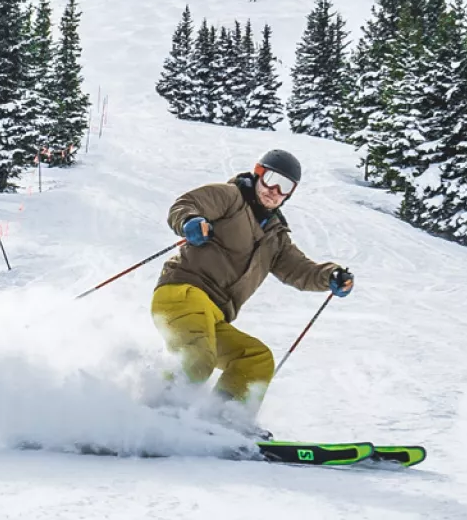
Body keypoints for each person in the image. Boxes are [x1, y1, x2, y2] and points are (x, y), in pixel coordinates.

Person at [150, 150, 354, 434]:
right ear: (258, 173)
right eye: (271, 179)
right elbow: (187, 204)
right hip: (183, 292)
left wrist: (330, 275)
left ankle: (221, 423)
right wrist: (190, 222)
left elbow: (300, 270)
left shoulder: (275, 237)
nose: (274, 191)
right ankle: (154, 415)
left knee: (255, 359)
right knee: (198, 356)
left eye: (285, 187)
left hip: (214, 314)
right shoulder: (230, 197)